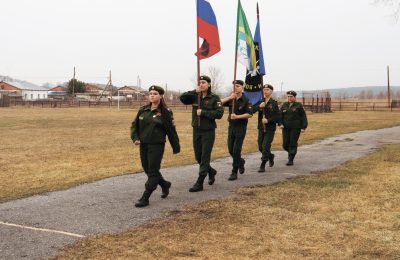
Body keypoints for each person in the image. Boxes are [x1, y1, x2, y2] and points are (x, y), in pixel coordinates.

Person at [131, 85, 180, 207]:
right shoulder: (143, 110)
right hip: (144, 144)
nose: (152, 95)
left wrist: (176, 146)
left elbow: (171, 130)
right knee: (147, 168)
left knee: (152, 171)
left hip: (157, 145)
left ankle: (145, 197)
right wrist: (135, 138)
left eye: (155, 93)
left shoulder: (165, 112)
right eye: (150, 93)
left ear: (161, 96)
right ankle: (164, 184)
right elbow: (134, 126)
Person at [179, 75, 224, 192]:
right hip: (197, 129)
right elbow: (182, 98)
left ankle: (199, 182)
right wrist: (195, 91)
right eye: (200, 82)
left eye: (204, 82)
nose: (201, 84)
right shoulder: (195, 96)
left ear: (209, 84)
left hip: (208, 131)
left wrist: (203, 112)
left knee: (204, 157)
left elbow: (219, 114)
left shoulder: (214, 98)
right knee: (198, 157)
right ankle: (211, 171)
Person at [221, 80, 252, 180]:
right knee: (230, 149)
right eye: (234, 86)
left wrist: (238, 116)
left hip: (240, 127)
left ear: (242, 87)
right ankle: (240, 161)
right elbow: (218, 103)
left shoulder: (246, 99)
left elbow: (250, 114)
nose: (235, 88)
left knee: (236, 150)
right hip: (231, 126)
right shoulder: (232, 98)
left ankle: (234, 172)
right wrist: (230, 97)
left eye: (237, 86)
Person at [252, 84, 280, 172]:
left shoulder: (274, 103)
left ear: (271, 91)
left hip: (270, 128)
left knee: (265, 146)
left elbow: (277, 116)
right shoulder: (260, 101)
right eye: (264, 89)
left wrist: (268, 120)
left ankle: (263, 163)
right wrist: (259, 107)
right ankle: (270, 156)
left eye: (267, 89)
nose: (265, 91)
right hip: (261, 127)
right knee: (260, 147)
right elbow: (252, 110)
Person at [280, 90, 308, 166]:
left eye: (291, 97)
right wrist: (280, 123)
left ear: (295, 97)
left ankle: (291, 159)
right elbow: (280, 116)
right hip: (285, 128)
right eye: (288, 96)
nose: (289, 98)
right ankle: (291, 152)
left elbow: (303, 117)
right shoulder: (284, 105)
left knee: (292, 143)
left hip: (296, 128)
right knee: (285, 144)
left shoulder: (298, 105)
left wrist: (303, 127)